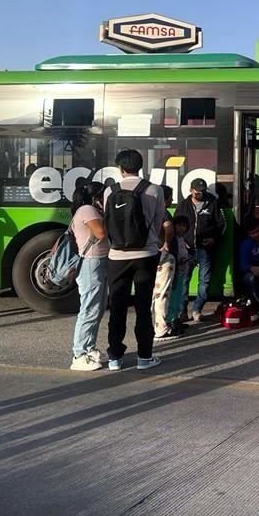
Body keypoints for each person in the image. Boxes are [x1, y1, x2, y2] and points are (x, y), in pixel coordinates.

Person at [103, 149, 165, 371]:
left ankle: (114, 358)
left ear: (120, 168)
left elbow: (107, 222)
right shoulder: (154, 190)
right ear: (140, 166)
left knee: (117, 306)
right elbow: (159, 222)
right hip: (146, 255)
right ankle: (144, 357)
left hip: (117, 256)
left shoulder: (110, 190)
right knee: (142, 306)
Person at [69, 181, 110, 371]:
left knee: (97, 308)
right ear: (96, 197)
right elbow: (101, 233)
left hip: (98, 262)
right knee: (89, 308)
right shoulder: (87, 210)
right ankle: (79, 353)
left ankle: (89, 347)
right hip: (91, 263)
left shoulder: (88, 210)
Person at [176, 177, 227, 322]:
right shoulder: (183, 206)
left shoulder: (212, 203)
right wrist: (182, 242)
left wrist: (213, 239)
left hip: (205, 249)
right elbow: (177, 225)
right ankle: (182, 311)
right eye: (198, 192)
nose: (201, 194)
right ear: (191, 190)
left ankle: (197, 309)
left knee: (204, 282)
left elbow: (221, 225)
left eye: (203, 191)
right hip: (187, 249)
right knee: (184, 281)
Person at [153, 186, 179, 342]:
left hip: (150, 254)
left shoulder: (148, 210)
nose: (172, 200)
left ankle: (153, 325)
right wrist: (166, 244)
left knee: (153, 293)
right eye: (170, 197)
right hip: (164, 256)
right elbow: (168, 227)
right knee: (162, 293)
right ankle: (162, 328)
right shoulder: (163, 212)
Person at [166, 215, 192, 334]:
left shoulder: (182, 239)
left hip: (182, 271)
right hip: (175, 272)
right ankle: (171, 320)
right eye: (179, 226)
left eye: (184, 226)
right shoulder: (173, 240)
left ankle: (176, 319)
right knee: (173, 297)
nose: (182, 229)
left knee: (179, 296)